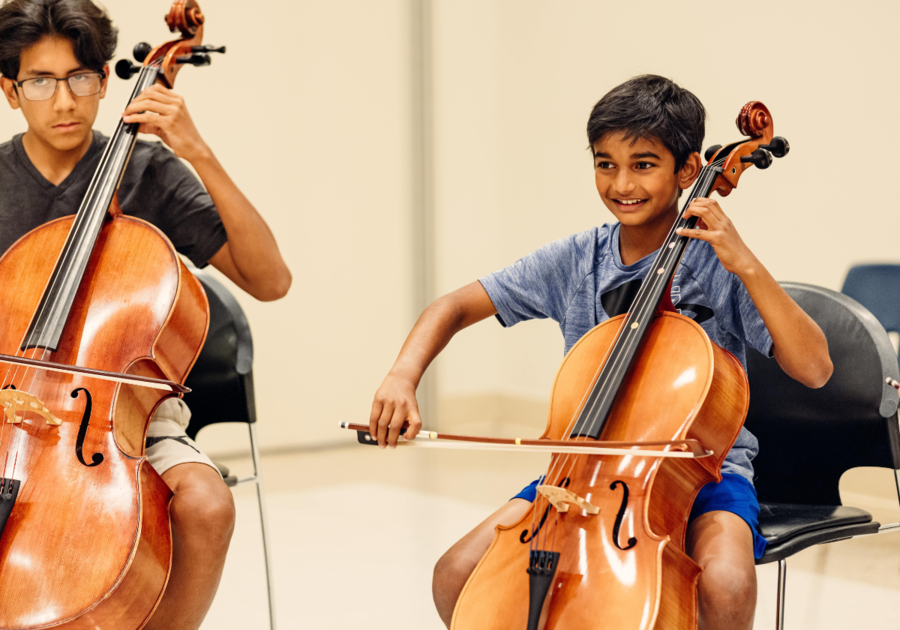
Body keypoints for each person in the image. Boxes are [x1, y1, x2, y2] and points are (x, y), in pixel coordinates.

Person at [369, 74, 833, 630]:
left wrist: (747, 265)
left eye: (643, 163)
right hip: (580, 471)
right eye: (604, 163)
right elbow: (451, 307)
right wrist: (402, 376)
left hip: (705, 472)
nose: (621, 182)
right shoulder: (576, 259)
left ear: (688, 171)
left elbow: (815, 368)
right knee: (457, 573)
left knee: (727, 584)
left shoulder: (718, 264)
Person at [0, 1, 291, 628]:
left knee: (208, 504)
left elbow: (271, 280)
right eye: (40, 82)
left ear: (107, 81)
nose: (65, 100)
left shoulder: (147, 172)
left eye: (81, 77)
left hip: (113, 418)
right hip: (6, 402)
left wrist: (199, 152)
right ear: (10, 91)